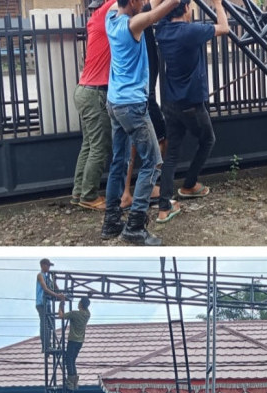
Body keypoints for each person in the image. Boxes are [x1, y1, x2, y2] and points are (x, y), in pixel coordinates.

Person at [100, 0, 179, 245]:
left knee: (119, 162)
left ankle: (111, 220)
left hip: (114, 103)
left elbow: (148, 9)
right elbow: (161, 9)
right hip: (132, 106)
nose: (144, 2)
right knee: (153, 161)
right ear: (132, 2)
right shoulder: (132, 26)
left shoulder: (110, 19)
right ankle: (135, 225)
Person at [154, 0, 230, 223]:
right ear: (187, 8)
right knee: (207, 140)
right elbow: (224, 27)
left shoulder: (163, 30)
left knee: (172, 153)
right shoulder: (191, 31)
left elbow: (157, 10)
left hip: (170, 103)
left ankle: (164, 206)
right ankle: (189, 185)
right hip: (191, 104)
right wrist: (217, 4)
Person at [70, 0, 117, 211]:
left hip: (85, 90)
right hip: (95, 92)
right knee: (100, 146)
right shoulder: (109, 9)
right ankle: (89, 196)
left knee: (88, 145)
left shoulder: (95, 17)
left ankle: (79, 192)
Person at [120, 0, 166, 212]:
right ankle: (148, 189)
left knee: (131, 141)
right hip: (144, 95)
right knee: (160, 139)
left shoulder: (116, 20)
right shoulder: (140, 15)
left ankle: (127, 192)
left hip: (129, 95)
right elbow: (156, 6)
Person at [58, 296, 91, 390]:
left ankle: (70, 381)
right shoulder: (87, 314)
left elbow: (61, 315)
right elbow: (86, 305)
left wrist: (61, 304)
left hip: (72, 340)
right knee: (72, 360)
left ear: (81, 304)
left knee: (69, 360)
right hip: (80, 341)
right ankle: (74, 382)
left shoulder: (75, 314)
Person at [36, 259, 66, 353]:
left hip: (47, 303)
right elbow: (45, 289)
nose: (49, 268)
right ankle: (45, 346)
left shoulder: (48, 277)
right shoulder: (40, 275)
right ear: (42, 265)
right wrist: (57, 296)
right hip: (41, 303)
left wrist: (54, 280)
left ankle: (49, 345)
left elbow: (56, 289)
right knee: (44, 324)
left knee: (50, 324)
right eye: (47, 265)